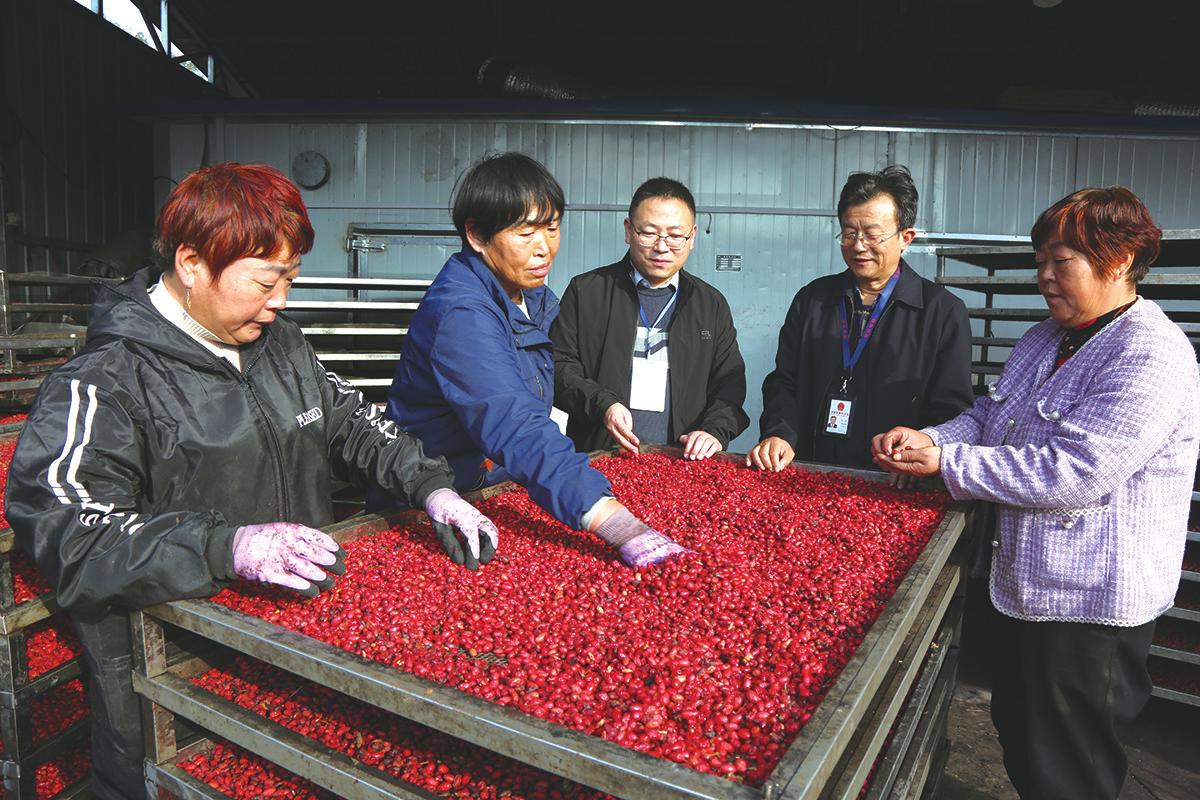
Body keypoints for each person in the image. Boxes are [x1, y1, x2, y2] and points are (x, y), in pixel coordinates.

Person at [4, 163, 496, 799]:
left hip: (290, 647)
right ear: (191, 263)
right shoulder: (103, 383)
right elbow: (72, 534)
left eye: (290, 279)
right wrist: (224, 546)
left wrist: (433, 488)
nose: (281, 299)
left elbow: (351, 423)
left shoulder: (282, 346)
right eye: (266, 281)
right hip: (169, 679)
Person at [873, 187, 1199, 800]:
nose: (1044, 276)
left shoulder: (1150, 353)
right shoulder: (1046, 338)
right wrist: (931, 438)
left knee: (1070, 766)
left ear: (1120, 261)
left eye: (1061, 261)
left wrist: (947, 462)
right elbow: (990, 417)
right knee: (1024, 737)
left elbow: (1074, 472)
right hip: (1027, 585)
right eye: (1040, 261)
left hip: (1088, 606)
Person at [380, 152, 689, 567]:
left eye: (552, 228)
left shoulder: (533, 296)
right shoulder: (462, 312)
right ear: (477, 234)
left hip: (485, 484)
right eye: (525, 233)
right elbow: (512, 420)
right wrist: (620, 526)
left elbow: (559, 367)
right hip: (432, 496)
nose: (544, 249)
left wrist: (602, 404)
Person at [747, 165, 972, 477]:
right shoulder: (813, 300)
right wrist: (779, 433)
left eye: (873, 235)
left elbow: (953, 410)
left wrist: (918, 453)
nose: (858, 245)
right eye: (850, 233)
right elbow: (784, 381)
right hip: (809, 471)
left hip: (892, 479)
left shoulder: (941, 312)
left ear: (905, 237)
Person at [551, 177, 748, 460]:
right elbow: (559, 367)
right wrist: (603, 405)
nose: (662, 247)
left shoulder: (710, 304)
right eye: (649, 233)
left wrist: (714, 430)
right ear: (628, 231)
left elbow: (729, 383)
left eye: (675, 235)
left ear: (692, 236)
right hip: (600, 457)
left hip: (683, 461)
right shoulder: (587, 292)